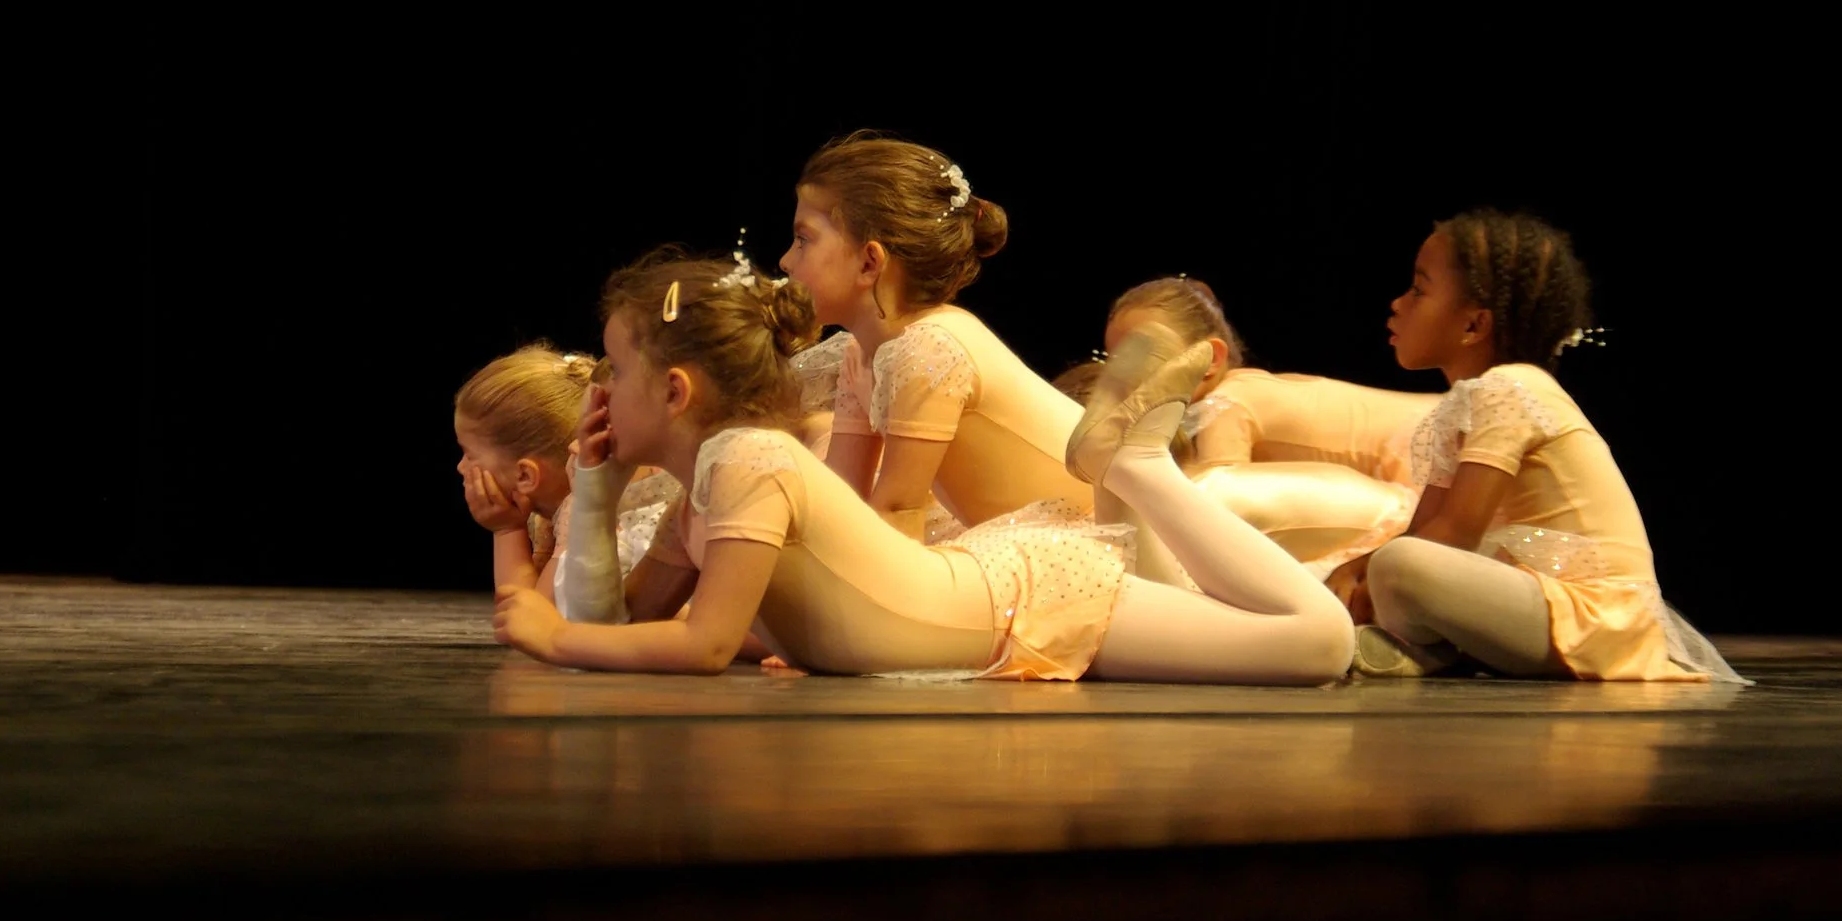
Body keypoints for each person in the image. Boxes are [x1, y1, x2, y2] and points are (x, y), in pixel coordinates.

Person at [492, 251, 1351, 686]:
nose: (598, 389)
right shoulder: (703, 484)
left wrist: (554, 636)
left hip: (1027, 600)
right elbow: (624, 616)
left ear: (676, 389)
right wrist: (596, 502)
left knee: (1321, 642)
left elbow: (703, 644)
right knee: (1252, 622)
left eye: (613, 367)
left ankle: (1138, 468)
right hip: (994, 589)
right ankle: (1129, 471)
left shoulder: (744, 458)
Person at [1333, 210, 1739, 683]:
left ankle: (1429, 649)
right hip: (1544, 602)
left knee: (1401, 566)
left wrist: (1368, 577)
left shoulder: (1509, 388)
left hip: (1596, 617)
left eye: (1419, 290)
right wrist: (1352, 570)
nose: (1398, 303)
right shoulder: (1464, 404)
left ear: (1474, 325)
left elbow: (1457, 534)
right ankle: (1431, 645)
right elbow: (1427, 527)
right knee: (1388, 562)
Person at [775, 133, 1093, 547]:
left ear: (870, 261)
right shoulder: (864, 353)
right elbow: (844, 500)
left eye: (803, 240)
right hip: (1014, 537)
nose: (785, 260)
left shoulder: (929, 345)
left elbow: (896, 516)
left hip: (1081, 541)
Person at [1097, 276, 1439, 579]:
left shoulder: (1230, 402)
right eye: (1116, 363)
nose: (1123, 380)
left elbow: (1214, 508)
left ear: (1211, 359)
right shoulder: (1241, 391)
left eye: (1144, 356)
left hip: (1431, 469)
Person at [453, 344, 677, 601]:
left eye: (469, 454)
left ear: (526, 476)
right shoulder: (556, 510)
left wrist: (506, 531)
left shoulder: (583, 513)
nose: (461, 467)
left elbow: (533, 621)